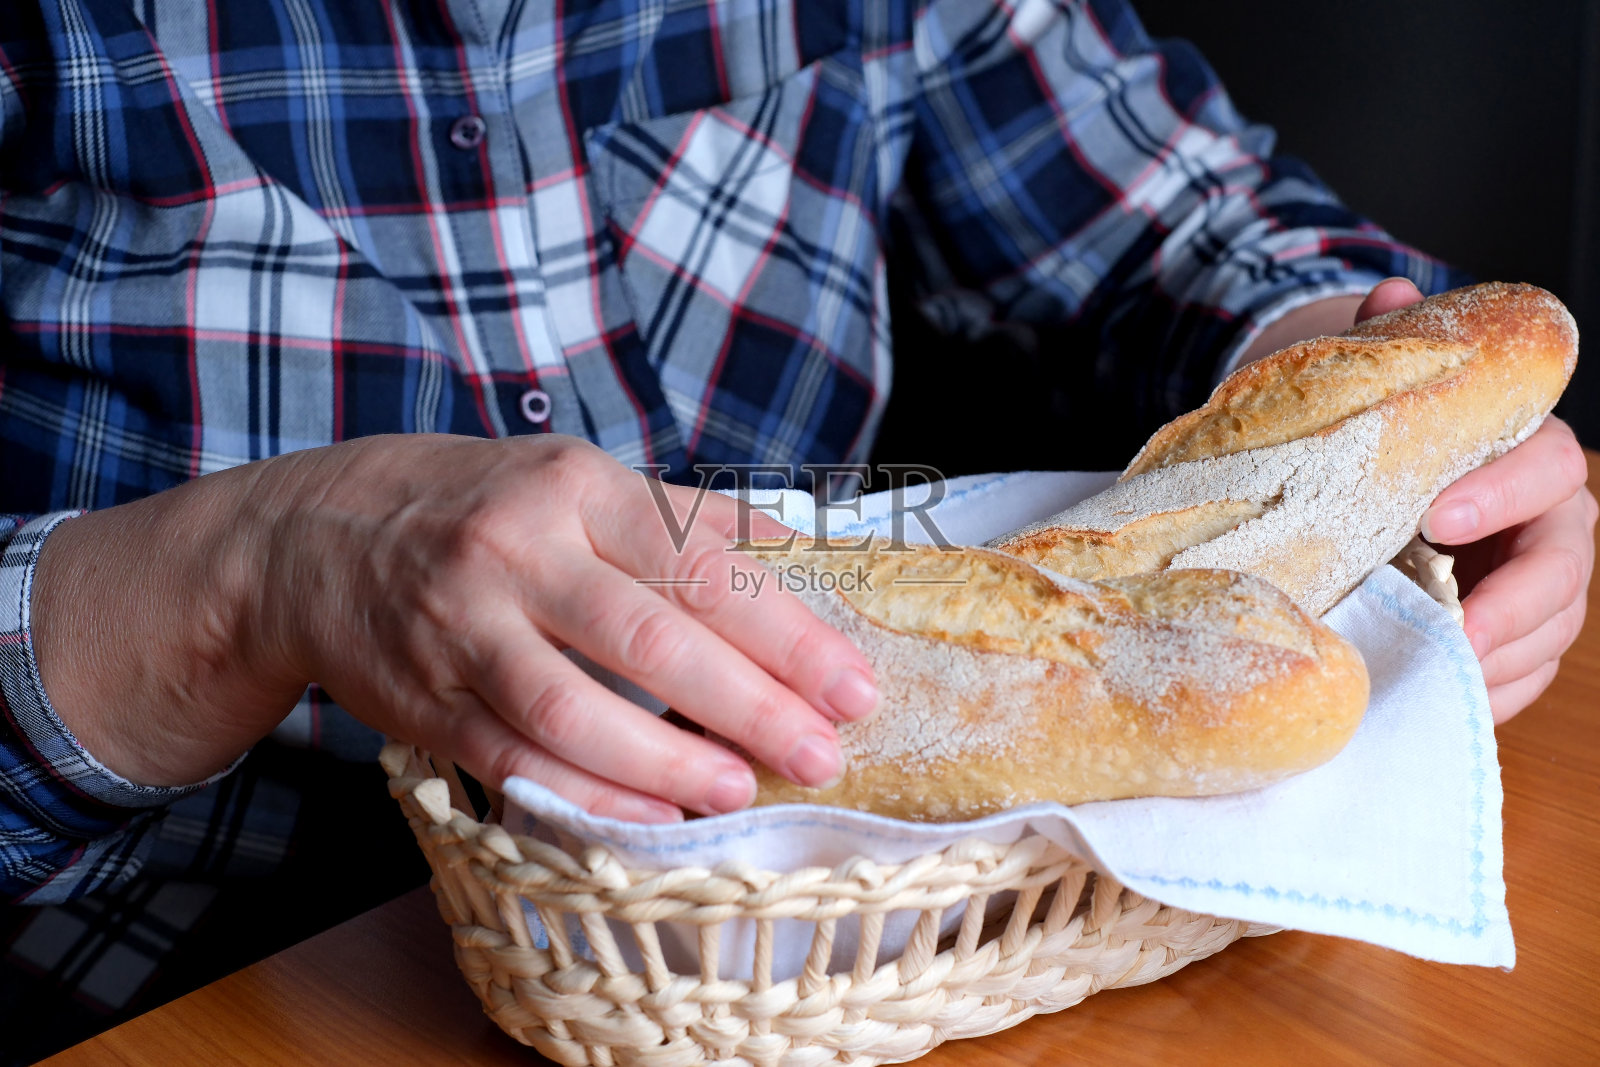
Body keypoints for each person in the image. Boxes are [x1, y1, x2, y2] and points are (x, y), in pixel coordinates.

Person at [0, 0, 1592, 1059]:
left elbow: (1179, 218)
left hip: (890, 978)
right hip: (208, 984)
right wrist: (259, 564)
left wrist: (1388, 445)